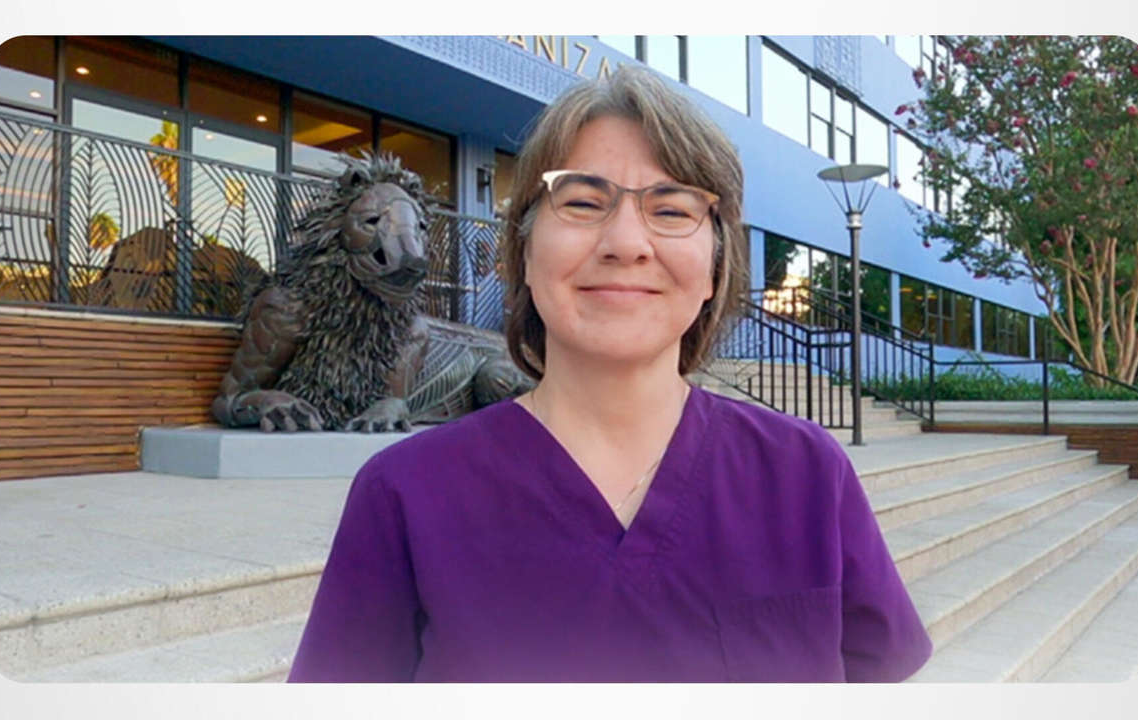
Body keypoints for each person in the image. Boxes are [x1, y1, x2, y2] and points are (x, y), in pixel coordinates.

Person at [287, 65, 932, 682]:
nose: (626, 243)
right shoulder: (404, 494)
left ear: (715, 267)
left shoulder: (808, 475)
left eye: (672, 210)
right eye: (582, 202)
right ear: (524, 253)